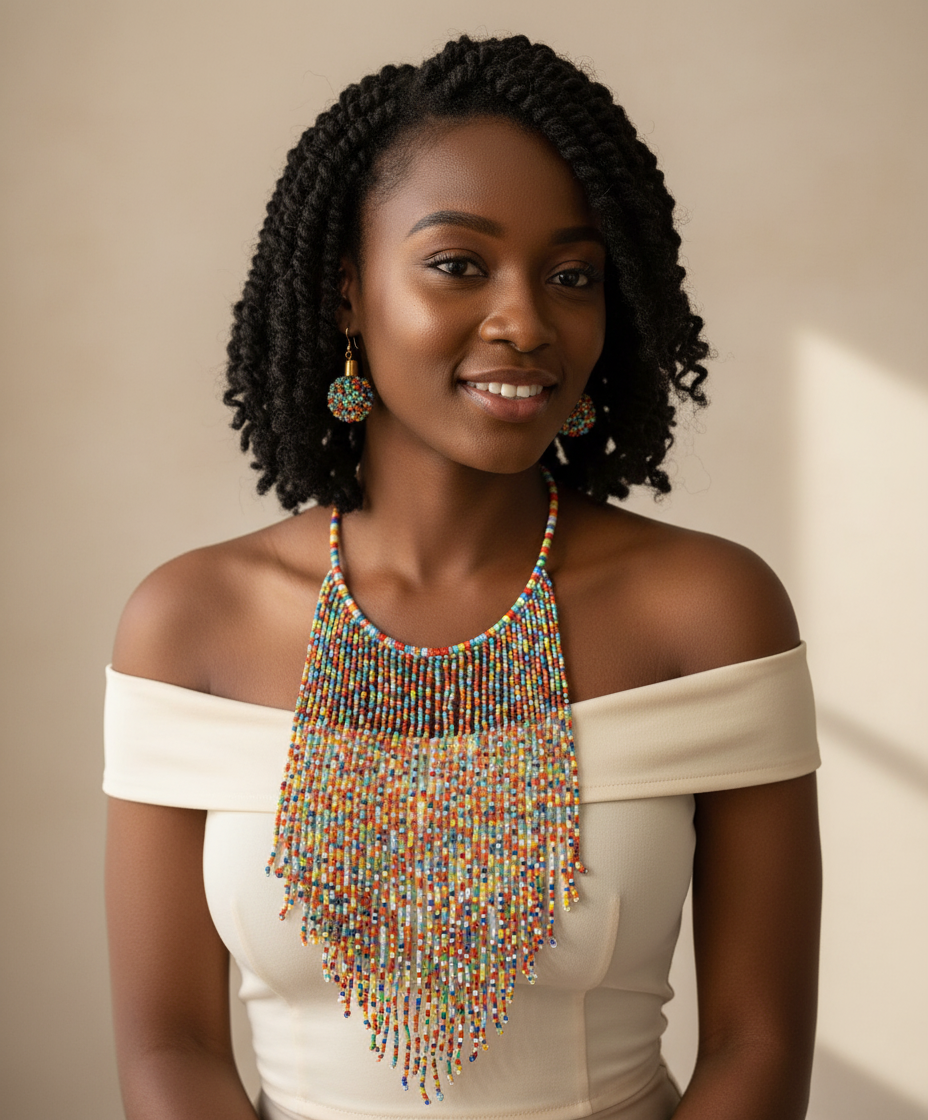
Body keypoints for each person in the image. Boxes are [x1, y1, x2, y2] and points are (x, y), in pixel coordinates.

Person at [103, 34, 821, 1120]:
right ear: (345, 293)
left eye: (572, 276)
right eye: (457, 264)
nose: (526, 321)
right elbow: (171, 1047)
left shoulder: (709, 612)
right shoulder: (188, 624)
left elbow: (758, 1044)